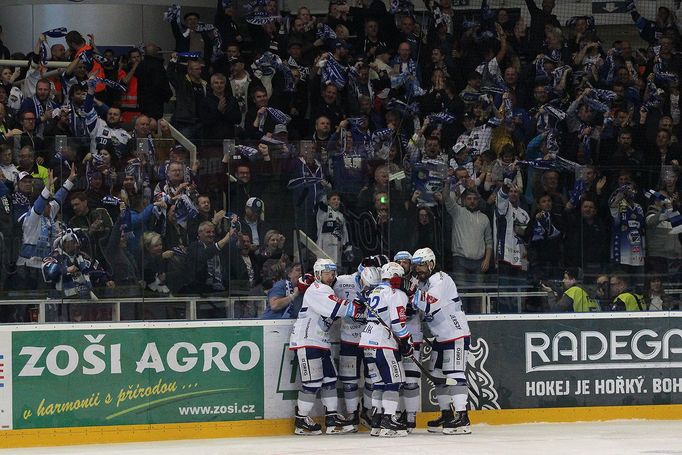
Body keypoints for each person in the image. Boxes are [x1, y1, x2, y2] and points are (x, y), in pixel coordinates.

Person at [289, 258, 360, 435]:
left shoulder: (323, 288)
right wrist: (356, 308)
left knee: (329, 379)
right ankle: (301, 421)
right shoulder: (318, 289)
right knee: (312, 382)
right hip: (307, 340)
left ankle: (331, 418)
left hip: (320, 341)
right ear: (318, 274)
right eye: (328, 273)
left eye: (333, 273)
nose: (331, 276)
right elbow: (336, 308)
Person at [411, 247, 471, 435]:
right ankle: (447, 414)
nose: (417, 269)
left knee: (455, 374)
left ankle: (463, 418)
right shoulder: (426, 281)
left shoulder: (441, 279)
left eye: (421, 265)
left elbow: (429, 303)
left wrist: (411, 291)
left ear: (431, 264)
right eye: (416, 266)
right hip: (441, 337)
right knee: (437, 375)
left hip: (455, 334)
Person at [359, 262, 413, 437]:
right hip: (383, 342)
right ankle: (389, 420)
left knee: (379, 383)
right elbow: (398, 323)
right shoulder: (395, 293)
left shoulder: (374, 291)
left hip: (367, 341)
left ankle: (377, 419)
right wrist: (406, 342)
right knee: (393, 382)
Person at [334, 264, 381, 429]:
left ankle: (366, 411)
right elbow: (324, 288)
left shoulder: (378, 281)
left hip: (369, 340)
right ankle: (352, 414)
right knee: (349, 380)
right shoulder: (342, 281)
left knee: (373, 379)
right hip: (348, 339)